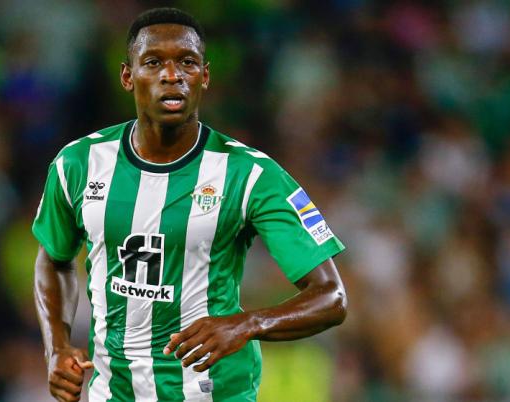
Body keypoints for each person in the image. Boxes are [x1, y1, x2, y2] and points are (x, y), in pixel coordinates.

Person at [32, 7, 347, 402]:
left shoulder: (250, 175)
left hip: (213, 392)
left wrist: (246, 324)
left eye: (187, 62)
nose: (172, 75)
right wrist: (57, 347)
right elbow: (55, 259)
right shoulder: (78, 163)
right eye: (153, 62)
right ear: (127, 77)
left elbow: (331, 297)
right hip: (113, 391)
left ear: (205, 76)